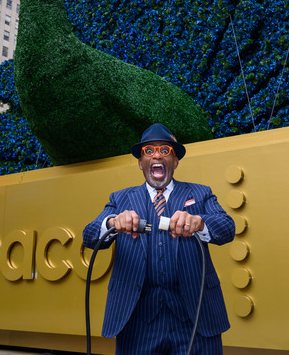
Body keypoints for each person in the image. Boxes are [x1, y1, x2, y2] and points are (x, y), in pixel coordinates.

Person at [83, 123, 235, 354]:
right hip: (137, 321)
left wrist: (200, 222)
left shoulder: (200, 193)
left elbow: (227, 228)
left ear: (175, 161)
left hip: (195, 317)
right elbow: (89, 235)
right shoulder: (120, 199)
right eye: (149, 151)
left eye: (165, 151)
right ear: (140, 162)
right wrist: (112, 222)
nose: (157, 156)